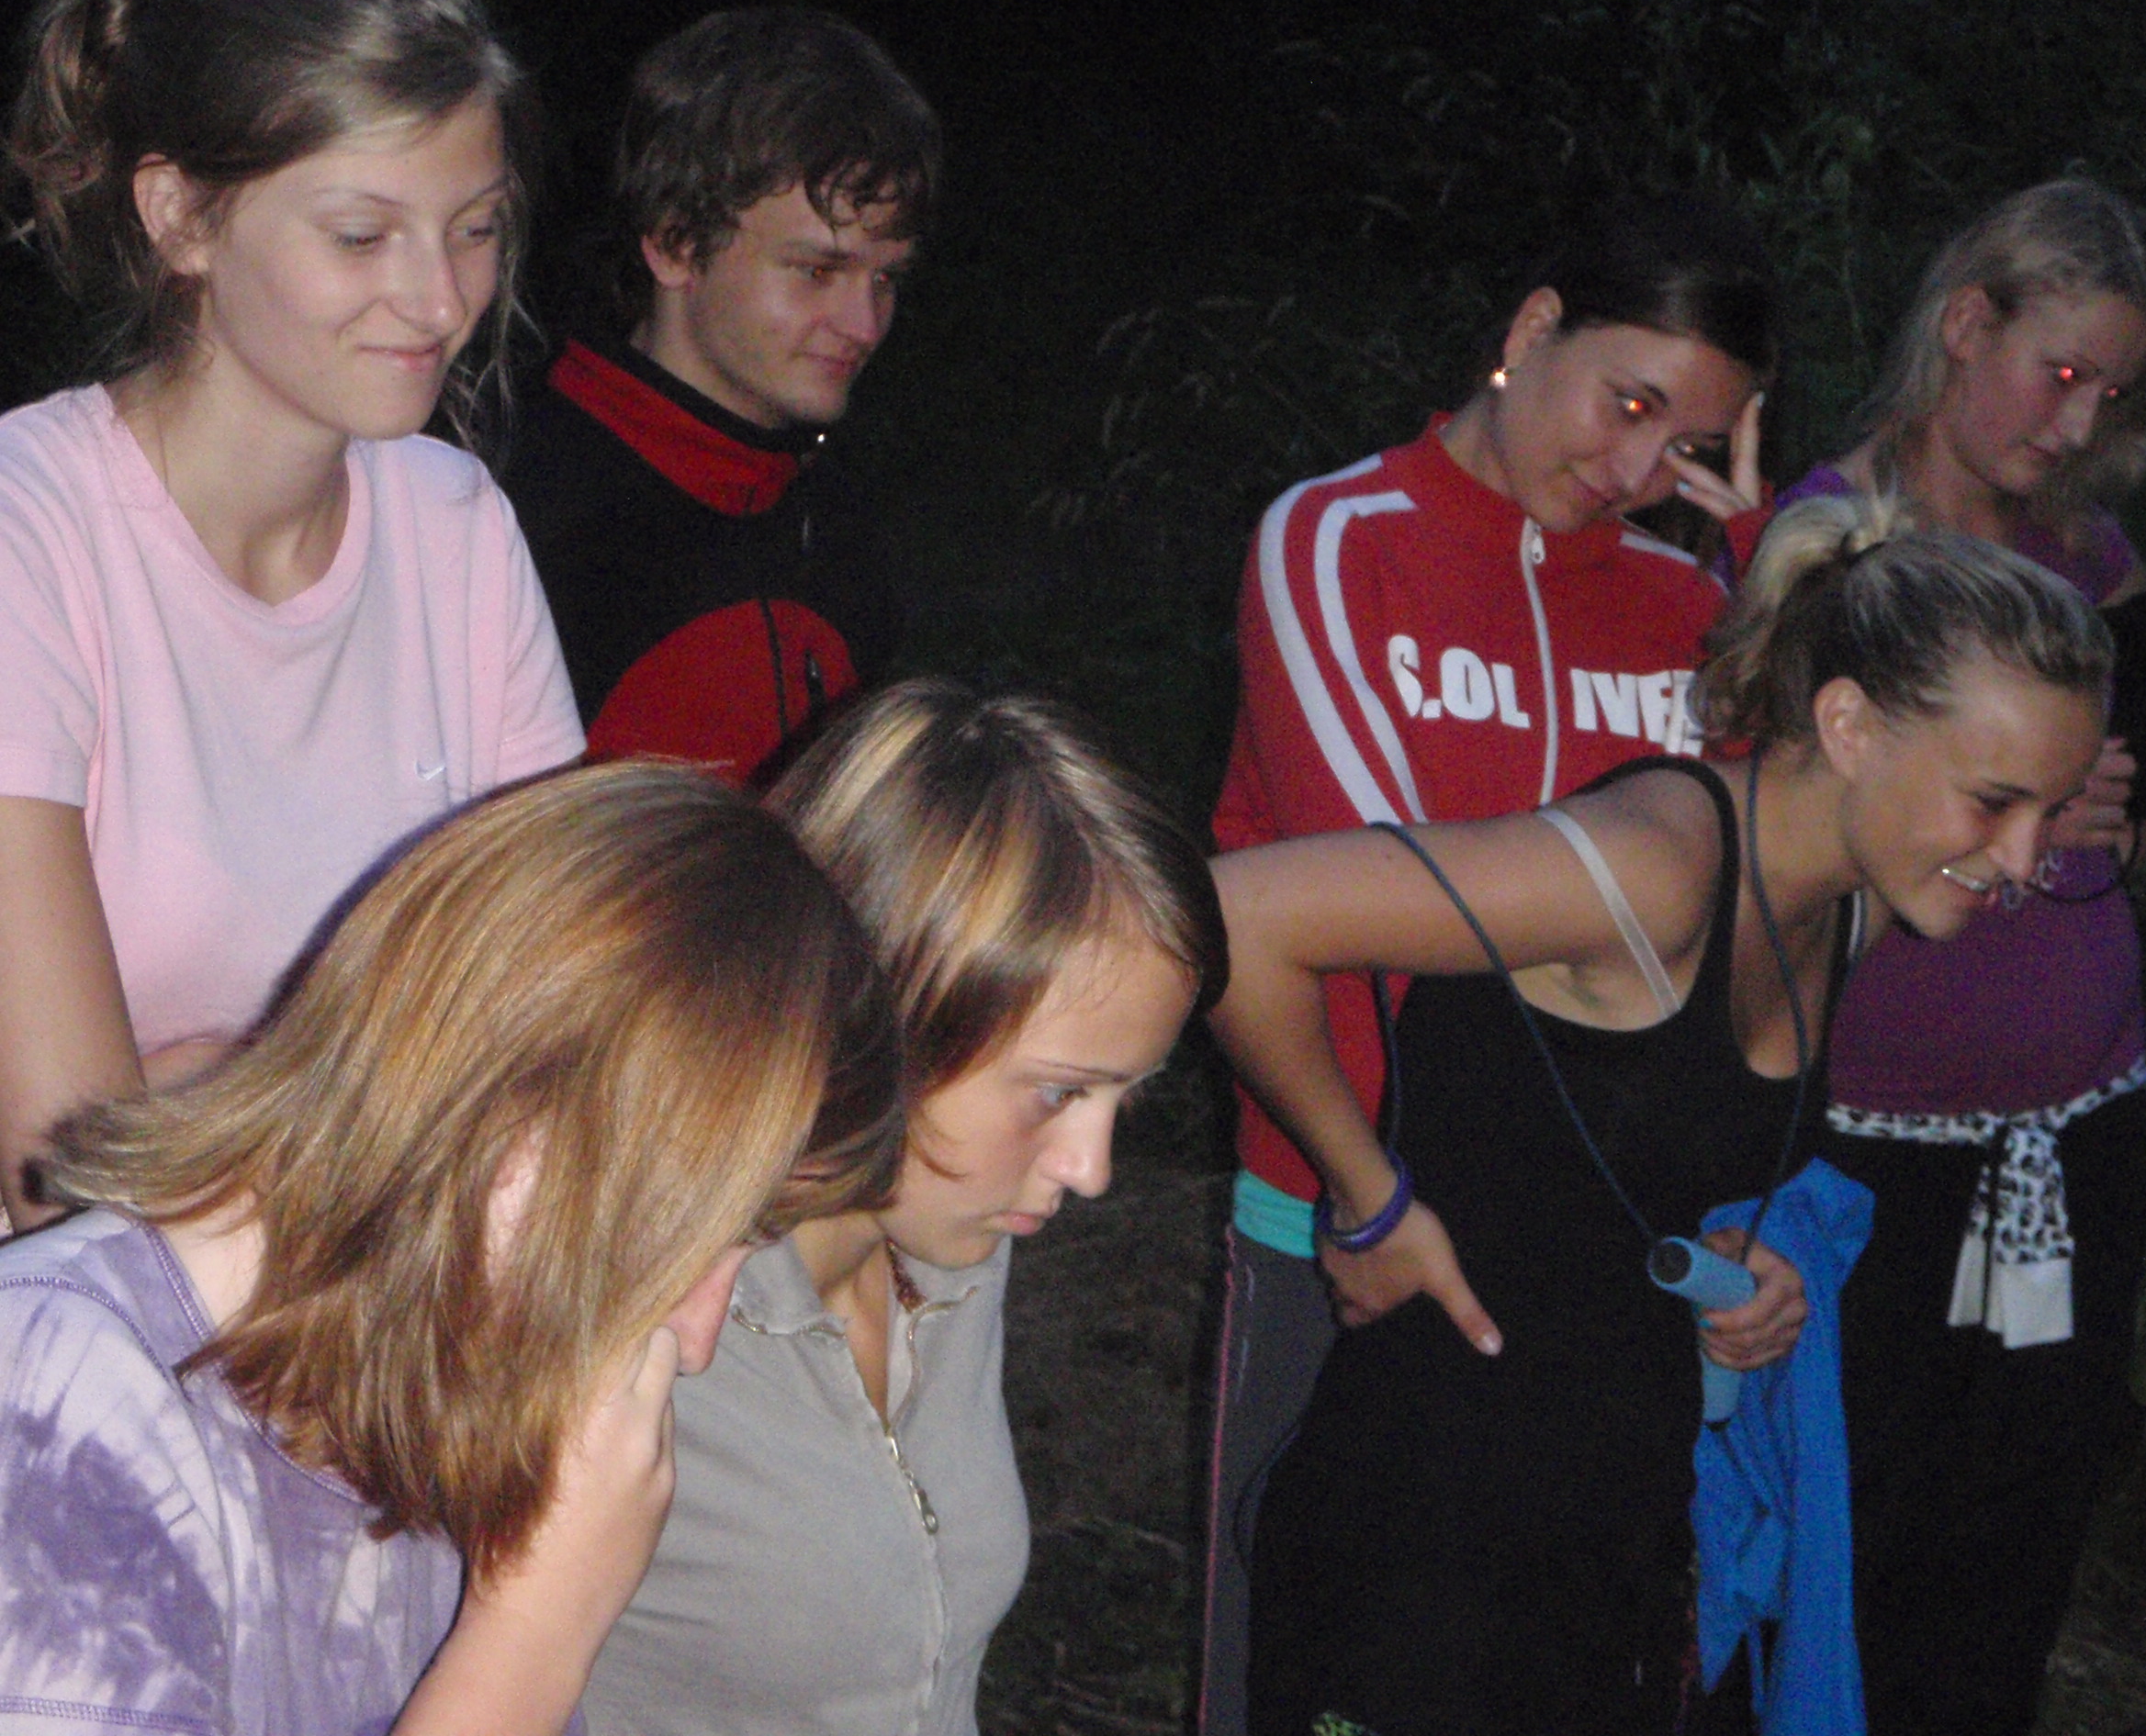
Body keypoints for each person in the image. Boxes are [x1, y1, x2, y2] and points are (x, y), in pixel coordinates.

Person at [1210, 493, 2118, 1734]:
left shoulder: (1849, 907)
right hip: (1419, 1545)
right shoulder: (1650, 867)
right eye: (1992, 801)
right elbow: (1234, 918)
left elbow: (1640, 1153)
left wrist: (1752, 1255)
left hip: (1611, 1549)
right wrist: (1369, 1195)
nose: (2021, 861)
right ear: (1849, 726)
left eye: (2049, 814)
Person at [1199, 188, 1777, 1730]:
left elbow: (1786, 881)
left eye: (1687, 444)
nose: (1638, 472)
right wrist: (1367, 1192)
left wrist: (1760, 544)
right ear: (1532, 331)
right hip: (1345, 1215)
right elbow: (1361, 910)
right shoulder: (1338, 540)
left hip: (1594, 1262)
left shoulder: (1688, 605)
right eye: (1628, 403)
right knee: (1299, 1658)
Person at [0, 762, 904, 1733]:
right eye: (682, 1238)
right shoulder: (51, 1411)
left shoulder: (415, 1392)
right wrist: (530, 1643)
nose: (697, 1340)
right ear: (504, 1109)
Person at [0, 0, 584, 1232]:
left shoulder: (458, 529)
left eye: (475, 228)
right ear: (181, 218)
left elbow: (564, 1043)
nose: (441, 300)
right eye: (363, 236)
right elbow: (72, 1190)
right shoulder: (29, 532)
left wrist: (213, 1092)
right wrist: (379, 1118)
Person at [581, 678, 1226, 1735]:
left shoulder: (949, 1237)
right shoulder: (626, 1310)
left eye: (1127, 1094)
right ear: (878, 1011)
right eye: (1057, 1093)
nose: (1090, 1168)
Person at [1770, 179, 2146, 1736]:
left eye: (2112, 392)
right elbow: (1765, 830)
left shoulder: (2087, 555)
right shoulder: (1826, 546)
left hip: (2076, 1133)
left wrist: (2124, 818)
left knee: (2011, 1553)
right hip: (1868, 1144)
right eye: (2060, 371)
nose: (2079, 423)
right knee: (1837, 1547)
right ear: (1966, 323)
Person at [500, 6, 937, 788]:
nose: (865, 324)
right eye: (818, 271)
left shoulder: (836, 521)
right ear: (676, 244)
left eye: (887, 279)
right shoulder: (518, 523)